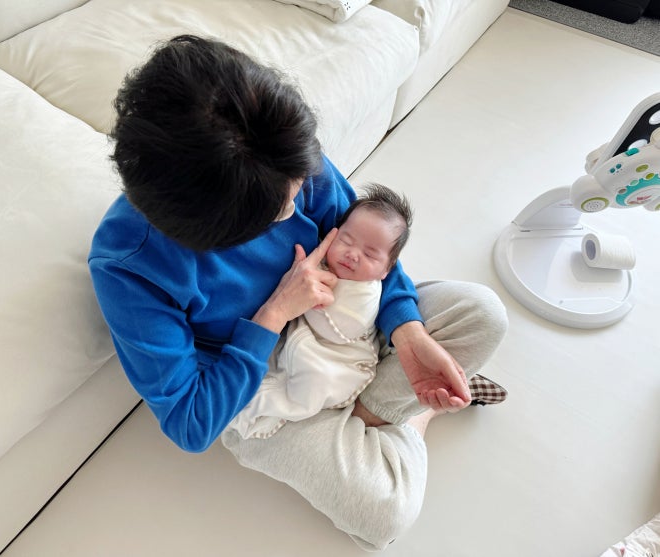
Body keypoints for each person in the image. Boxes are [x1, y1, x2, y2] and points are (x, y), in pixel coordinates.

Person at [88, 34, 508, 551]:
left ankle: (370, 416)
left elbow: (372, 250)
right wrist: (274, 313)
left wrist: (407, 332)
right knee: (385, 513)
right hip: (261, 382)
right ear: (216, 234)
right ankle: (415, 414)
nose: (298, 206)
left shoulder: (280, 155)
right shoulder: (129, 266)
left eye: (299, 187)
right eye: (278, 211)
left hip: (345, 318)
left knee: (482, 314)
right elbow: (191, 423)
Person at [229, 183, 414, 439]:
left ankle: (281, 409)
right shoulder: (325, 261)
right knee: (274, 364)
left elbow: (346, 326)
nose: (352, 254)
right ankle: (251, 404)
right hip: (302, 341)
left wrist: (308, 303)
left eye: (370, 255)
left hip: (338, 357)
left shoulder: (365, 292)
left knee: (314, 380)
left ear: (386, 270)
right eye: (346, 241)